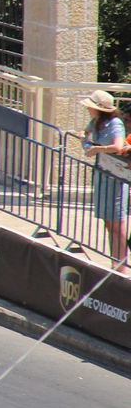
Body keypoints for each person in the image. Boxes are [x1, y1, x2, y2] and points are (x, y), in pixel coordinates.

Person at [80, 90, 130, 273]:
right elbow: (86, 133)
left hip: (115, 177)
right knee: (109, 223)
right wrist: (86, 141)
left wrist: (97, 148)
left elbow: (117, 146)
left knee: (117, 222)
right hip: (102, 173)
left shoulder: (114, 123)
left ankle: (121, 266)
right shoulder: (95, 123)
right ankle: (115, 262)